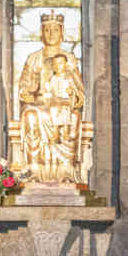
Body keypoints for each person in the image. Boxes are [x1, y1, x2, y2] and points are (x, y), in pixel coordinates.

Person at [17, 13, 86, 184]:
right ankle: (34, 168)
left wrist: (74, 96)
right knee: (29, 116)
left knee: (73, 117)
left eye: (55, 30)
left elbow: (79, 89)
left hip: (63, 105)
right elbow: (24, 86)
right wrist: (28, 92)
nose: (51, 33)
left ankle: (67, 168)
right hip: (40, 104)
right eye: (47, 29)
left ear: (61, 32)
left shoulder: (69, 60)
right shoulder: (33, 58)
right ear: (41, 33)